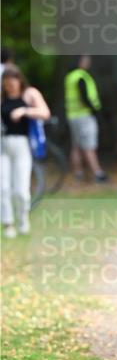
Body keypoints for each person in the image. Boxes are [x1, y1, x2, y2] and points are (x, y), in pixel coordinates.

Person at [1, 66, 50, 237]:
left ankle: (22, 218)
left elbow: (45, 113)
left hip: (22, 145)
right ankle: (7, 223)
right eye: (6, 84)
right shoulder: (2, 97)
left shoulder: (29, 94)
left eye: (12, 83)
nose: (10, 87)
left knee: (20, 190)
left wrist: (25, 111)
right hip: (3, 145)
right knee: (3, 187)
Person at [64, 55, 107, 182]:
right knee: (89, 145)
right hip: (85, 115)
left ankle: (78, 173)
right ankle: (97, 173)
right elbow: (85, 96)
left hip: (72, 115)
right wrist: (95, 110)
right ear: (81, 62)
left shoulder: (69, 77)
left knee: (76, 146)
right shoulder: (81, 76)